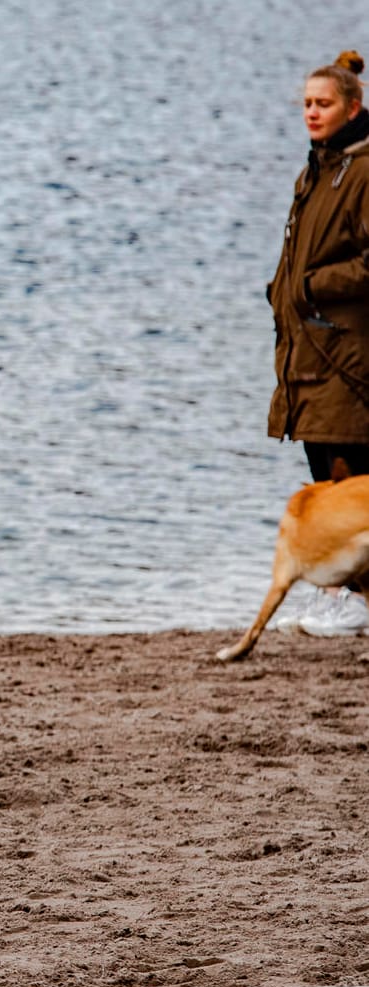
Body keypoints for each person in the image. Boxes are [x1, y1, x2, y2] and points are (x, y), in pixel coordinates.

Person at [268, 51, 369, 637]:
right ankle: (339, 595)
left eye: (323, 103)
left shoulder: (362, 170)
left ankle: (354, 599)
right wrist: (280, 291)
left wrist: (309, 286)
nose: (312, 111)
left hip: (348, 352)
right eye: (306, 103)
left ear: (353, 107)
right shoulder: (316, 170)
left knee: (349, 477)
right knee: (324, 472)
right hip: (308, 350)